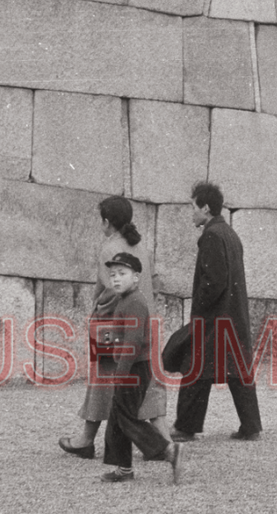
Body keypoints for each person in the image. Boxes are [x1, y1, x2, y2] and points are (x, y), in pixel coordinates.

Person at [58, 196, 166, 458]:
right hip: (146, 323)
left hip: (116, 325)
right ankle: (163, 442)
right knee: (148, 382)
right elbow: (155, 283)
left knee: (102, 380)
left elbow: (111, 290)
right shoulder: (142, 247)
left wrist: (96, 314)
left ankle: (86, 439)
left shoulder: (110, 249)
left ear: (107, 222)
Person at [172, 181, 263, 442]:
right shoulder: (230, 234)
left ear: (206, 208)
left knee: (195, 369)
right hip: (232, 316)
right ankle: (251, 426)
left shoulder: (211, 235)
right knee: (237, 369)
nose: (192, 213)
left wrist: (198, 310)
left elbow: (213, 282)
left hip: (213, 318)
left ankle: (186, 427)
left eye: (194, 207)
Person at [91, 252, 181, 484]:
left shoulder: (135, 302)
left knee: (126, 418)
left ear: (136, 278)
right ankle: (124, 469)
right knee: (117, 418)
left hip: (134, 369)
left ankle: (167, 450)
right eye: (112, 275)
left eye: (122, 274)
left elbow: (132, 343)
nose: (116, 279)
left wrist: (121, 373)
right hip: (130, 367)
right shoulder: (126, 300)